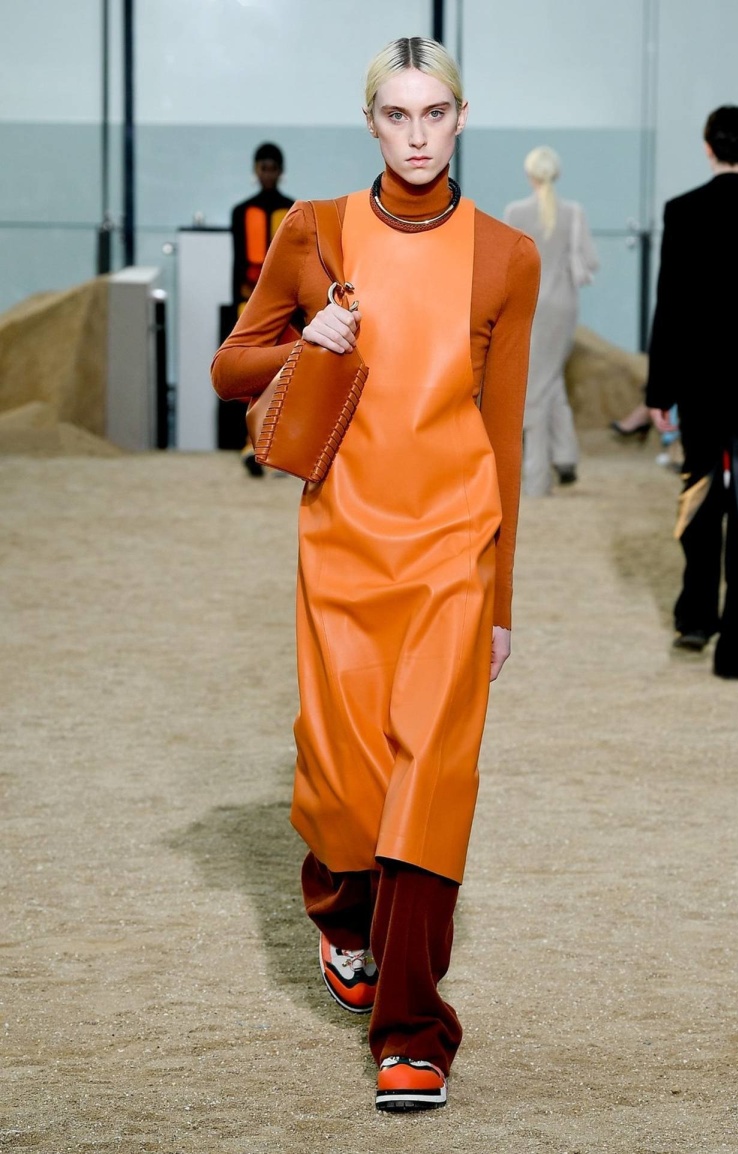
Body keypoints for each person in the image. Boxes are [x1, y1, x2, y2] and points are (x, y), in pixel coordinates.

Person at [211, 36, 539, 1111]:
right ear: (370, 123)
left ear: (460, 118)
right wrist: (306, 337)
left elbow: (502, 436)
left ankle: (412, 1030)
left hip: (453, 550)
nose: (416, 134)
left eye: (433, 113)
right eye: (396, 114)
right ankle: (339, 912)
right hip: (343, 546)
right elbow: (230, 367)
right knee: (344, 785)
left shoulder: (506, 257)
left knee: (429, 785)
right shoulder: (314, 230)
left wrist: (498, 599)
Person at [646, 105, 738, 678]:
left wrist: (659, 391)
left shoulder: (683, 211)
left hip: (699, 386)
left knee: (699, 496)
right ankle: (735, 648)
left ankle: (696, 618)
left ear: (707, 145)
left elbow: (669, 304)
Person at [503, 146, 598, 496]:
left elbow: (507, 264)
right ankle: (566, 456)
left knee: (537, 385)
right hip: (563, 307)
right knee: (548, 378)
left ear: (529, 174)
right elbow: (590, 260)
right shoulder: (574, 212)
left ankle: (537, 478)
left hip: (530, 305)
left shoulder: (515, 212)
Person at [223, 143, 295, 475]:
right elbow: (238, 263)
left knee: (285, 373)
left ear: (280, 171)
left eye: (272, 168)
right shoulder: (241, 212)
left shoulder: (292, 210)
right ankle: (250, 444)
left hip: (285, 307)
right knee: (250, 374)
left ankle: (280, 446)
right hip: (249, 305)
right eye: (263, 168)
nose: (268, 174)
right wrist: (238, 305)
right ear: (256, 170)